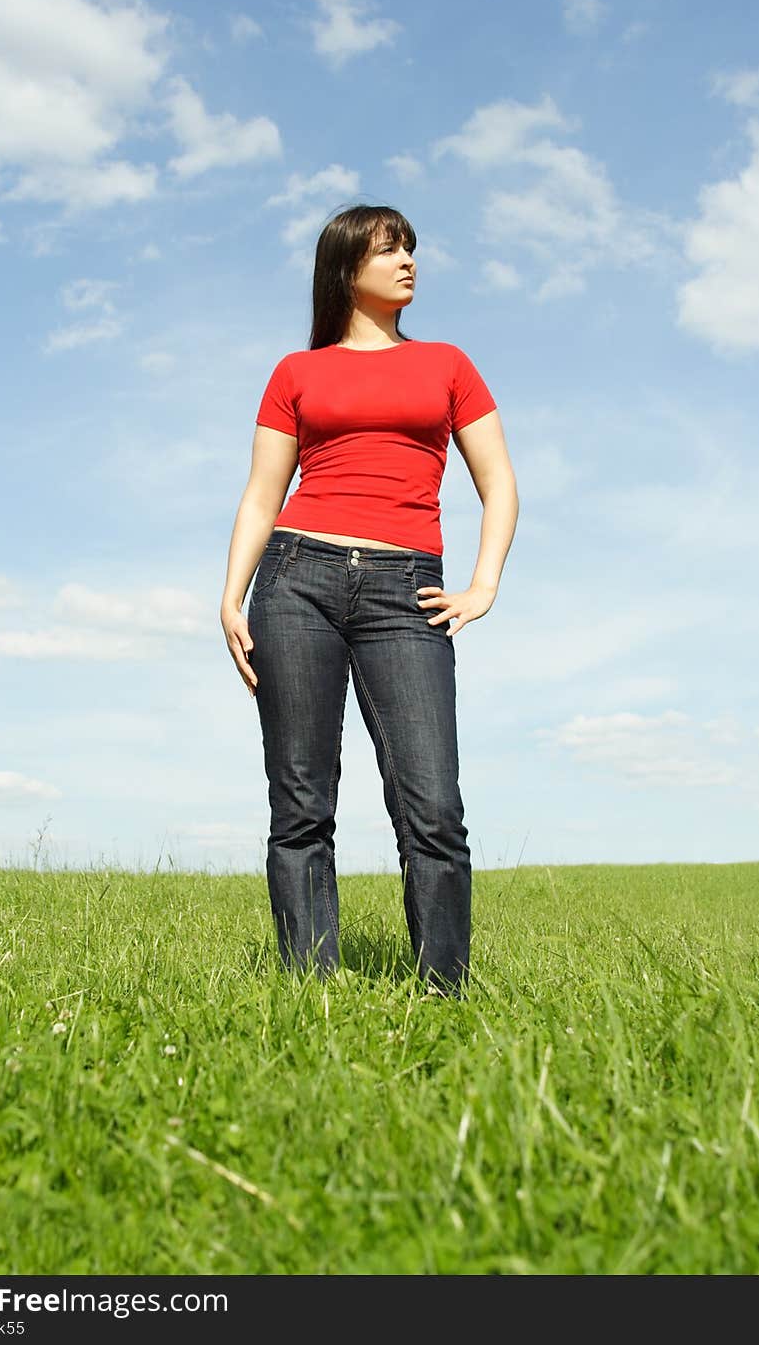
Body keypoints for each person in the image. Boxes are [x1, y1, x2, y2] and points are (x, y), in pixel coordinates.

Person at [220, 203, 518, 996]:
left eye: (411, 247)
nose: (409, 261)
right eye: (390, 250)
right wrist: (231, 595)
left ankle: (443, 994)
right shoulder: (297, 372)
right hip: (296, 580)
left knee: (432, 807)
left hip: (405, 590)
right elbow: (261, 494)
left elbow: (500, 483)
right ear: (346, 266)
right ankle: (310, 994)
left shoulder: (448, 364)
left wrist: (483, 583)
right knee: (301, 803)